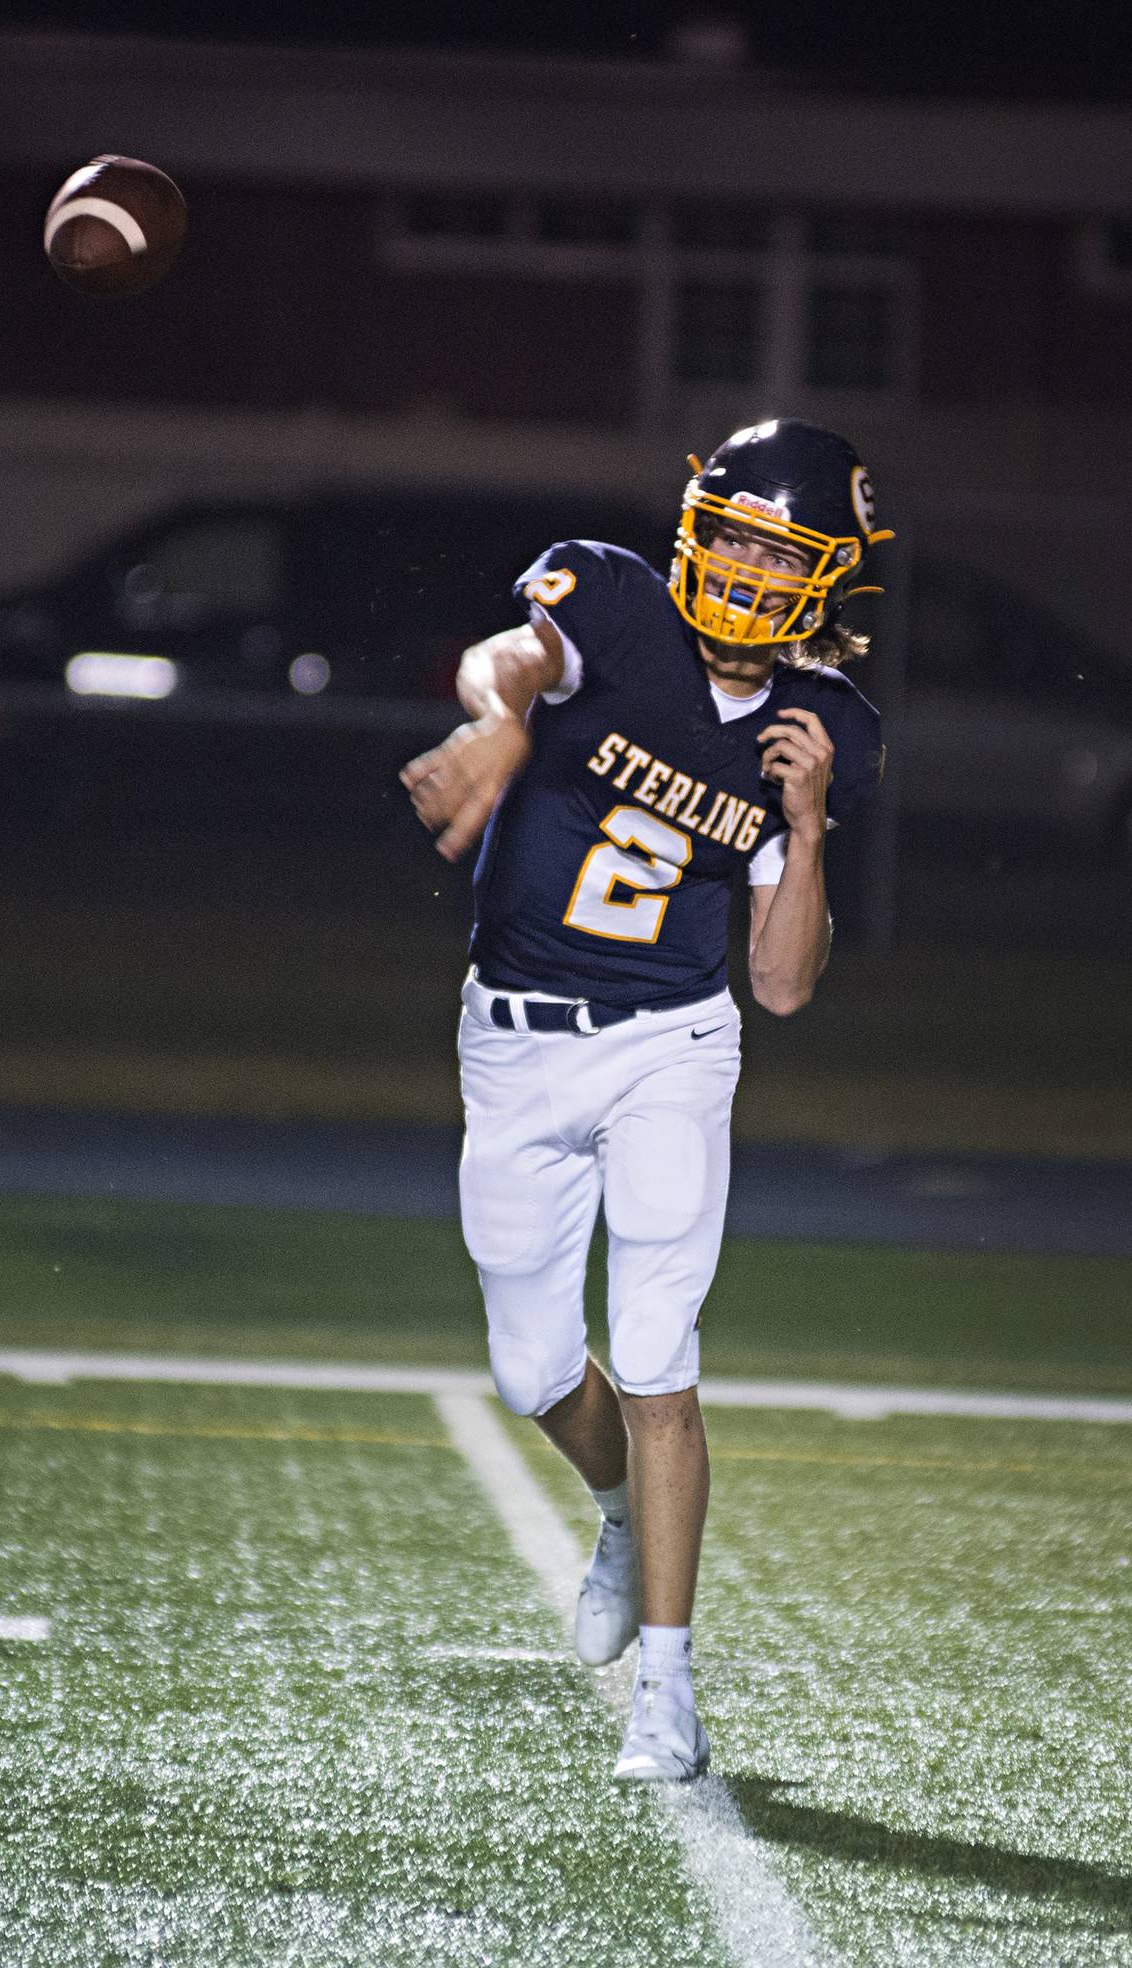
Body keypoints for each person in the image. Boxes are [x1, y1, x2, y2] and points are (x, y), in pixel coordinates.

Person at [401, 419, 890, 1782]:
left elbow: (783, 989)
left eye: (771, 549)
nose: (738, 566)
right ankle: (620, 1512)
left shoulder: (827, 725)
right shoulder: (612, 602)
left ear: (824, 575)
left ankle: (668, 1691)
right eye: (726, 532)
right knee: (532, 1370)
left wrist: (802, 830)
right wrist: (498, 719)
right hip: (511, 1041)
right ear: (691, 525)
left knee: (661, 1347)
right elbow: (509, 653)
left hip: (673, 1041)